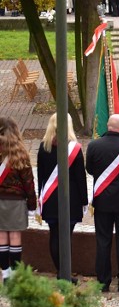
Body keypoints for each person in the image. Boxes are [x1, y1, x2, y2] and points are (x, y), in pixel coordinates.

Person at [85, 114, 119, 293]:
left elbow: (90, 169)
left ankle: (103, 282)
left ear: (108, 127)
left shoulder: (93, 145)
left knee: (103, 241)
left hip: (102, 201)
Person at [37, 113, 88, 282]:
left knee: (54, 235)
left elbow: (41, 176)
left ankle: (60, 272)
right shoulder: (74, 148)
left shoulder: (43, 147)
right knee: (66, 237)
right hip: (70, 198)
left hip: (50, 199)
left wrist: (40, 198)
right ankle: (65, 274)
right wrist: (84, 200)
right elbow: (81, 178)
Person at [0, 117, 37, 283]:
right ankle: (15, 275)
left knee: (1, 238)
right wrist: (32, 204)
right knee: (15, 237)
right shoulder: (20, 152)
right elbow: (28, 181)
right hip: (16, 201)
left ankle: (5, 274)